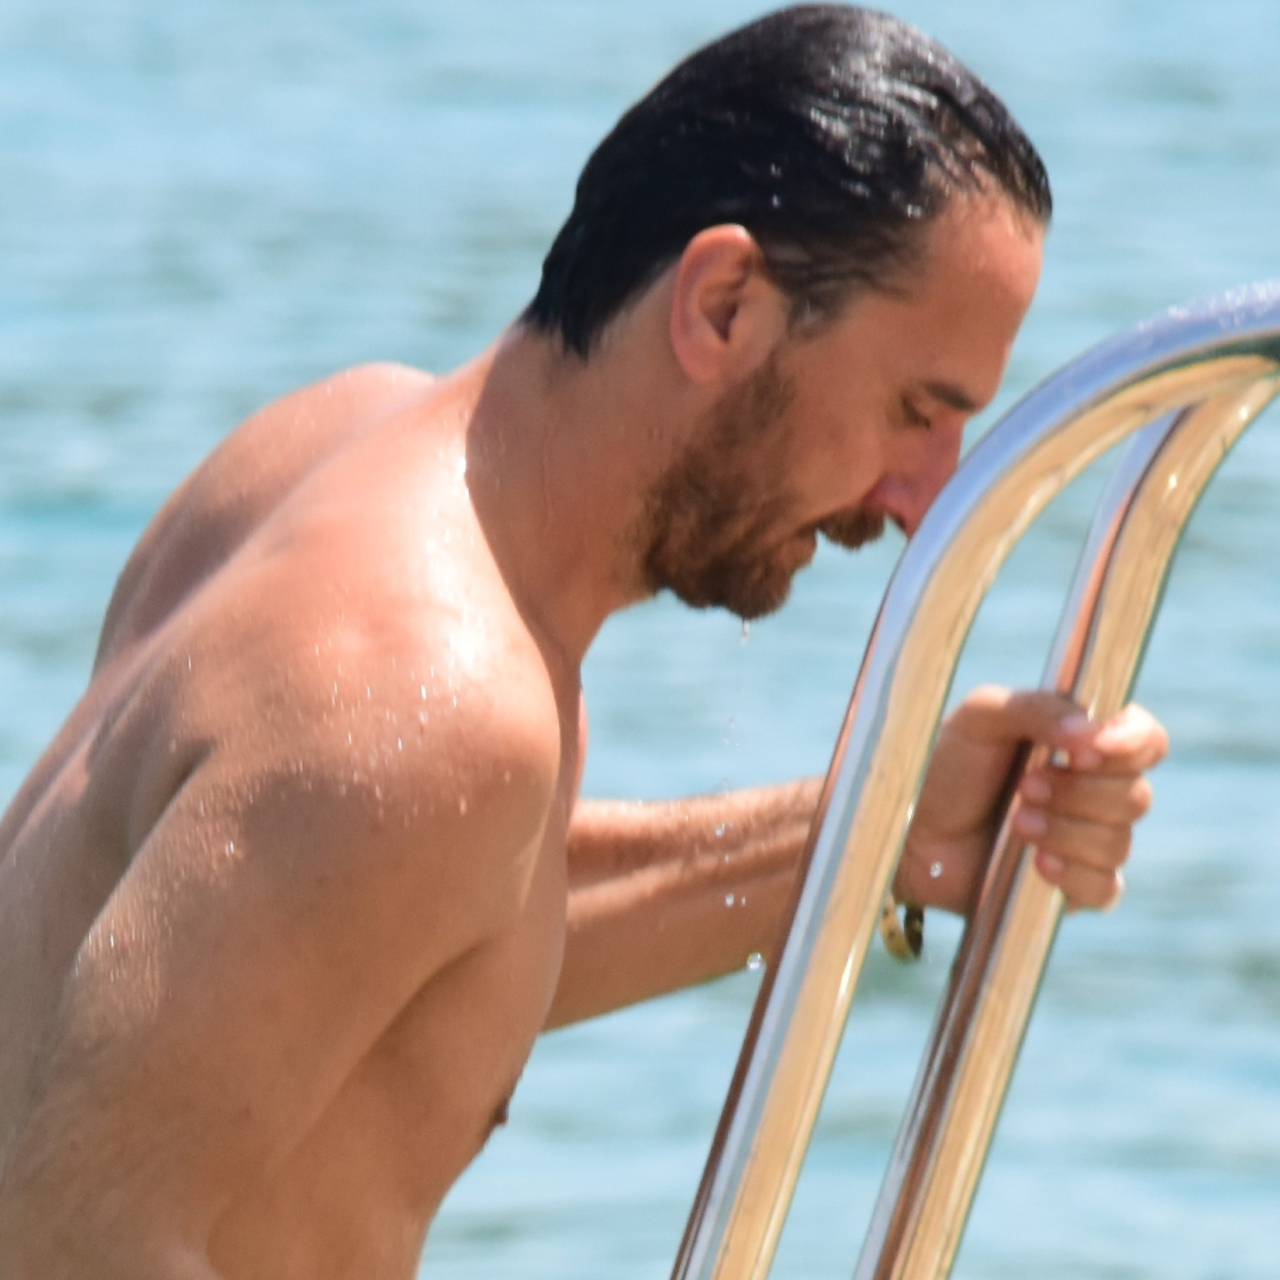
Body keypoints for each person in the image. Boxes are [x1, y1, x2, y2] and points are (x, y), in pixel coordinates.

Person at [0, 6, 1167, 1278]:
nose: (925, 498)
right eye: (912, 410)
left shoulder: (330, 457)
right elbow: (67, 1234)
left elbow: (374, 951)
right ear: (721, 305)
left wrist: (882, 828)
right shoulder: (429, 700)